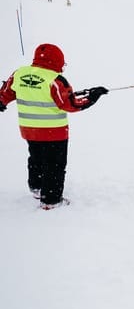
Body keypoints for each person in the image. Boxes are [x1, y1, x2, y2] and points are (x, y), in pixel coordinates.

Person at [0, 43, 108, 209]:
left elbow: (6, 92)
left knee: (36, 158)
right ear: (56, 61)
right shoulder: (55, 80)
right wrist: (92, 97)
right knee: (54, 165)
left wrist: (2, 102)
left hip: (29, 130)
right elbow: (71, 104)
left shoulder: (19, 73)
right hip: (54, 132)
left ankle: (37, 187)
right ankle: (51, 200)